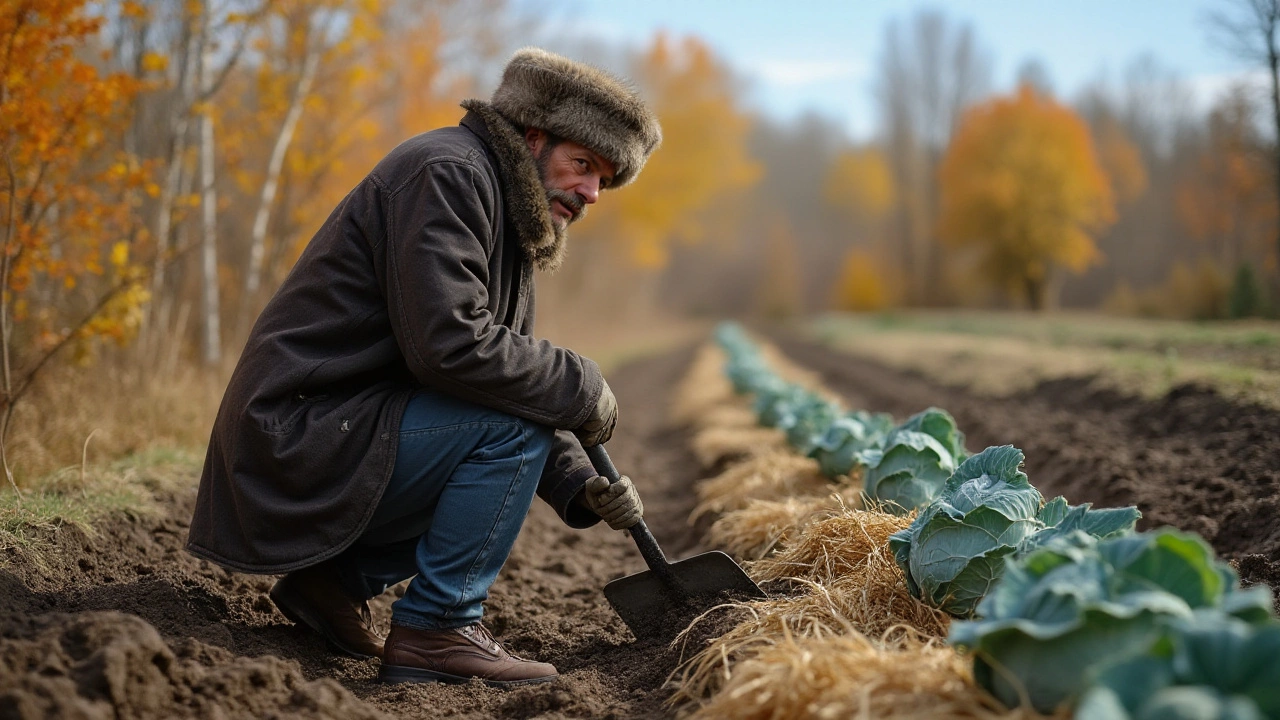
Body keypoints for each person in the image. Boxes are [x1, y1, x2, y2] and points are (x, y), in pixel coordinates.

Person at [186, 48, 662, 688]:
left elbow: (498, 388)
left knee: (507, 425)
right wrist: (580, 382)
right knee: (506, 437)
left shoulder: (503, 209)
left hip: (347, 429)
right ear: (533, 135)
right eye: (584, 166)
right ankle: (439, 628)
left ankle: (332, 586)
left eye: (604, 180)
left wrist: (577, 482)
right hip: (294, 433)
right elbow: (452, 349)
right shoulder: (448, 174)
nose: (591, 194)